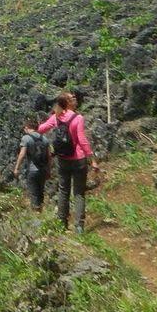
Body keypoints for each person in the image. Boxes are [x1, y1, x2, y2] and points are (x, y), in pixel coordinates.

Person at [38, 91, 100, 234]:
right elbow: (82, 140)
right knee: (79, 193)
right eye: (72, 98)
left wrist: (54, 114)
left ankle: (62, 223)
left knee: (63, 191)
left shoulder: (56, 117)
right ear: (68, 102)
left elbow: (41, 129)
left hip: (63, 158)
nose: (75, 99)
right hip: (78, 159)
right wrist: (92, 159)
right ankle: (79, 226)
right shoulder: (78, 118)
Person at [12, 113, 49, 210]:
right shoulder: (44, 139)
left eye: (24, 128)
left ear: (28, 127)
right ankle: (41, 212)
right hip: (43, 170)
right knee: (41, 193)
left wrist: (16, 168)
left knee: (33, 193)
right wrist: (48, 170)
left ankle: (35, 214)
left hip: (33, 170)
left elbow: (22, 154)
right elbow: (49, 156)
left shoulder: (26, 138)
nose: (24, 130)